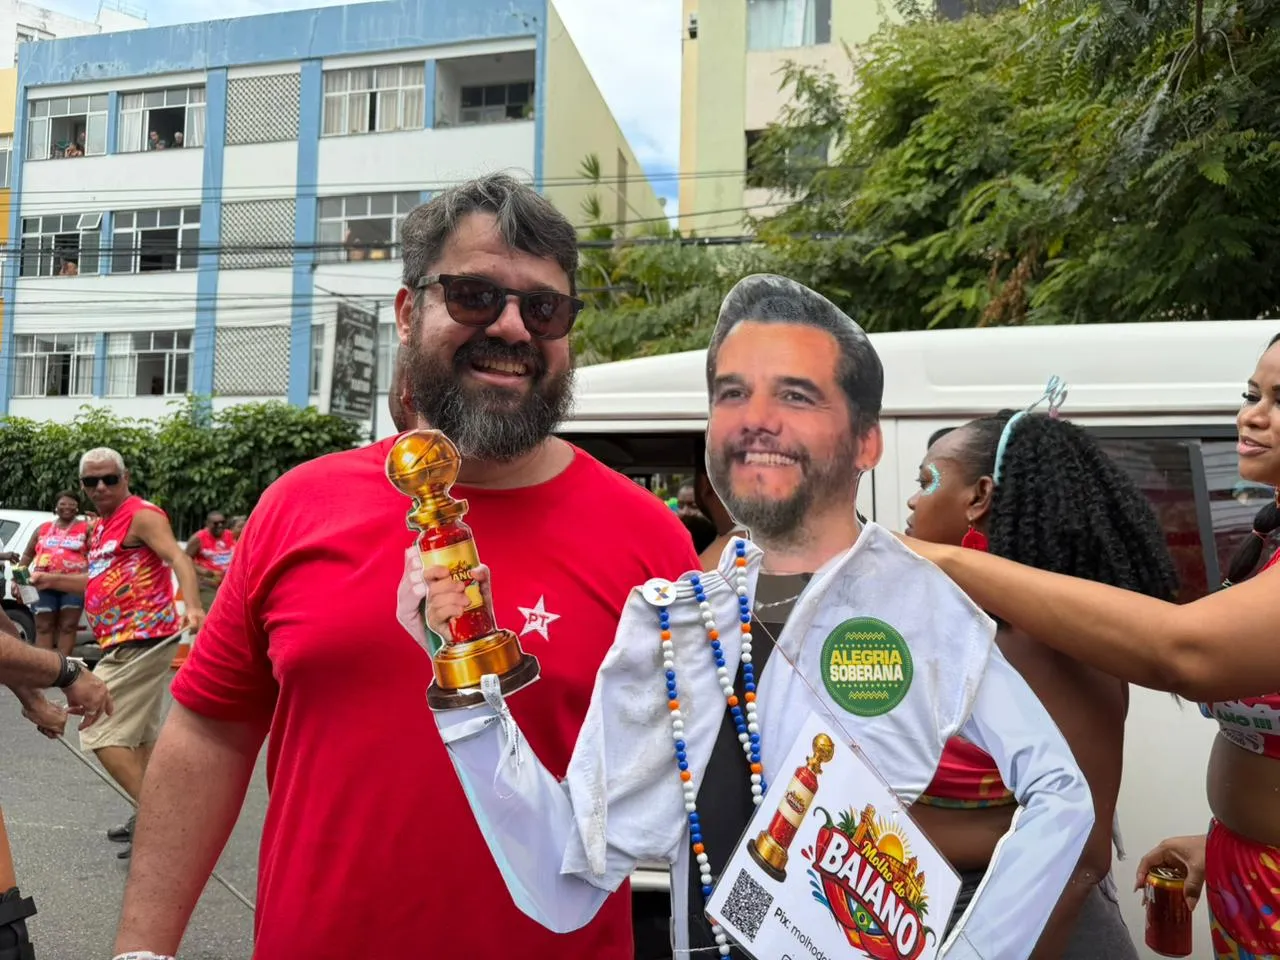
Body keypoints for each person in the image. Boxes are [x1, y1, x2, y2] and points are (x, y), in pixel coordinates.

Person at [415, 274, 1095, 960]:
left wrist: (977, 952)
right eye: (732, 393)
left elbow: (1062, 795)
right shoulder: (672, 620)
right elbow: (563, 883)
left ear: (866, 442)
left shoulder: (924, 605)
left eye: (795, 395)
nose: (755, 418)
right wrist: (468, 695)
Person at [112, 173, 697, 960]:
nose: (514, 328)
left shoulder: (650, 542)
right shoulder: (296, 508)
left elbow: (702, 782)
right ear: (405, 312)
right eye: (474, 295)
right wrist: (142, 949)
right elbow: (211, 733)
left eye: (544, 307)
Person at [898, 333, 1280, 960]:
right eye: (1250, 394)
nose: (1251, 414)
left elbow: (1183, 652)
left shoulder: (1038, 641)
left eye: (1279, 399)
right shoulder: (1266, 551)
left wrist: (937, 559)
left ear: (980, 498)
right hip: (1247, 875)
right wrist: (1220, 841)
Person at [903, 409, 1179, 956]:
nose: (912, 501)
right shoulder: (936, 620)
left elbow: (1082, 858)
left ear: (980, 497)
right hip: (925, 908)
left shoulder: (1057, 646)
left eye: (926, 481)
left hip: (1030, 925)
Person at [31, 448, 205, 860]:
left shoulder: (142, 514)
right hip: (121, 641)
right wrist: (51, 577)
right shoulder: (101, 527)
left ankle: (160, 823)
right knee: (139, 739)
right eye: (92, 482)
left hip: (142, 640)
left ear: (125, 476)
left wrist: (195, 606)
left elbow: (178, 557)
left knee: (97, 730)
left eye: (109, 478)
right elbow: (98, 582)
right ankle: (145, 816)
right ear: (83, 486)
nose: (101, 487)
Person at [16, 491, 90, 656]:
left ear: (78, 507)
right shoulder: (43, 529)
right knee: (43, 627)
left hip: (72, 584)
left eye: (72, 504)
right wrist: (19, 579)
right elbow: (28, 554)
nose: (67, 507)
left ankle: (64, 669)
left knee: (68, 626)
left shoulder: (86, 528)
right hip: (42, 584)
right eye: (63, 504)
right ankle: (46, 669)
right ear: (55, 507)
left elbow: (97, 554)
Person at [184, 511, 234, 612]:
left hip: (227, 583)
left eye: (222, 522)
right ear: (207, 524)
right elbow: (184, 559)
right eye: (215, 523)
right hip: (208, 584)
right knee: (212, 613)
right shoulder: (198, 538)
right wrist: (202, 571)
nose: (220, 526)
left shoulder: (230, 535)